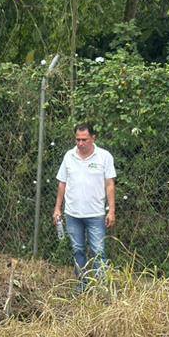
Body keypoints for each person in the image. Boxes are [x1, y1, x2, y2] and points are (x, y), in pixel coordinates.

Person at [52, 123, 116, 289]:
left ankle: (102, 288)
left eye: (84, 140)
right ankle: (82, 285)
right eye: (77, 140)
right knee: (78, 250)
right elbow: (62, 183)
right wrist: (57, 208)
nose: (80, 143)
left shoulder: (104, 157)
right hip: (72, 214)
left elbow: (110, 184)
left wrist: (111, 211)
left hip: (96, 214)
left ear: (93, 138)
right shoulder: (69, 156)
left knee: (98, 252)